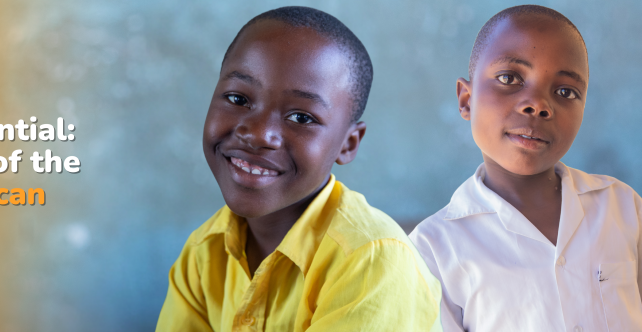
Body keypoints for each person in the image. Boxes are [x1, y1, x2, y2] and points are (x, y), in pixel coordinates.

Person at [409, 5, 642, 332]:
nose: (538, 104)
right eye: (509, 78)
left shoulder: (620, 207)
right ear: (466, 99)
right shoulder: (433, 248)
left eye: (565, 91)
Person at [156, 6, 442, 332]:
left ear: (348, 144)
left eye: (301, 118)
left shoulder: (371, 261)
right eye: (237, 98)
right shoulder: (203, 253)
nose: (259, 133)